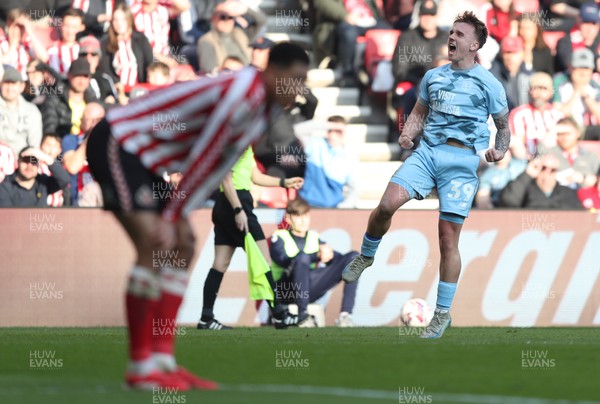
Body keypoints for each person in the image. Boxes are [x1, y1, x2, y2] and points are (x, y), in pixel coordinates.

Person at [85, 42, 309, 389]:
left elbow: (219, 163)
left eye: (302, 81)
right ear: (272, 72)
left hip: (146, 157)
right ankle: (141, 367)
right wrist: (173, 213)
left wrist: (176, 215)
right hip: (119, 139)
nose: (297, 89)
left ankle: (164, 361)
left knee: (184, 244)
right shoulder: (242, 94)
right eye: (293, 79)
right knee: (154, 244)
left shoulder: (263, 108)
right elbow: (208, 153)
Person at [341, 11, 510, 339]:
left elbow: (503, 128)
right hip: (427, 154)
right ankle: (366, 254)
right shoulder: (433, 77)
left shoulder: (490, 84)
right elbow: (418, 113)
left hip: (461, 163)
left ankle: (441, 314)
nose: (452, 37)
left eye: (460, 34)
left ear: (475, 44)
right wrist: (407, 134)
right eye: (451, 32)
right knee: (387, 204)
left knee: (448, 241)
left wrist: (500, 150)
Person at [197, 146, 304, 330]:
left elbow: (255, 176)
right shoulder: (237, 142)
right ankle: (280, 314)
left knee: (220, 263)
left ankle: (206, 317)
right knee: (264, 259)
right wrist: (239, 210)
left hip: (225, 205)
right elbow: (226, 177)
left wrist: (283, 182)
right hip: (236, 203)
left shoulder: (244, 145)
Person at [270, 197, 359, 327]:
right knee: (302, 259)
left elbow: (335, 259)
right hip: (286, 290)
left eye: (306, 215)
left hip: (309, 289)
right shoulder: (279, 237)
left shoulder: (315, 237)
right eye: (298, 216)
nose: (303, 220)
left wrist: (328, 255)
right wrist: (316, 255)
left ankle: (345, 316)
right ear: (288, 218)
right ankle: (303, 316)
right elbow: (284, 260)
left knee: (353, 259)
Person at [299, 115, 358, 208]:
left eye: (338, 131)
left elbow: (354, 189)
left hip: (334, 207)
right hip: (308, 203)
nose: (333, 135)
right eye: (331, 130)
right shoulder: (316, 144)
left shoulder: (349, 156)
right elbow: (298, 130)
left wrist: (341, 208)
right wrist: (329, 125)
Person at [508, 72, 564, 159]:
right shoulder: (518, 114)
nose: (539, 93)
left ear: (551, 92)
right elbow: (516, 142)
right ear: (529, 91)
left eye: (544, 89)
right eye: (535, 88)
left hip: (554, 160)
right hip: (526, 160)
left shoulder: (558, 115)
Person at [99, 3, 154, 90]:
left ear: (129, 20)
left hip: (140, 88)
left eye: (123, 19)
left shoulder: (140, 39)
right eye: (115, 20)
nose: (119, 24)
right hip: (118, 89)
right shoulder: (106, 42)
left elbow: (149, 63)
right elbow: (106, 70)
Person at [498, 154, 584, 209]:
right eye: (543, 168)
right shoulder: (524, 189)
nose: (547, 172)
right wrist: (527, 174)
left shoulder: (567, 192)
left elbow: (579, 216)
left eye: (552, 170)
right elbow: (508, 201)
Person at [40, 58, 98, 136]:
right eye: (77, 75)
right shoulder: (54, 100)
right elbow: (50, 129)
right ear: (69, 75)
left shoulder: (94, 102)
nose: (81, 80)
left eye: (85, 76)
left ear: (89, 78)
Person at [62, 102, 106, 206]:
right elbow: (72, 167)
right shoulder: (71, 140)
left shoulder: (110, 141)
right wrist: (90, 139)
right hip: (79, 199)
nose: (95, 124)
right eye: (91, 121)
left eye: (99, 120)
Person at [553, 48, 600, 140]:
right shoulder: (559, 81)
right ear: (570, 67)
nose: (582, 72)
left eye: (586, 68)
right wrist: (577, 91)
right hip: (565, 127)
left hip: (587, 128)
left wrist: (586, 96)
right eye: (579, 67)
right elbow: (557, 112)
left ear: (591, 70)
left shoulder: (594, 85)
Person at [0, 146, 69, 207]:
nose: (29, 166)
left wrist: (47, 159)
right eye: (26, 160)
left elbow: (64, 180)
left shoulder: (43, 183)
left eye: (34, 162)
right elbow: (7, 216)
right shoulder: (5, 186)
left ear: (38, 165)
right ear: (18, 162)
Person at [544, 117, 600, 190]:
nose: (565, 137)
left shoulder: (590, 156)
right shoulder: (551, 153)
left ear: (577, 133)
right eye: (560, 134)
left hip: (584, 197)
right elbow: (540, 150)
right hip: (558, 197)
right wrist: (554, 129)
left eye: (568, 133)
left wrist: (583, 178)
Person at [196, 1, 251, 74]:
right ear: (213, 19)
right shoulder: (206, 40)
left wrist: (242, 9)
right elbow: (209, 71)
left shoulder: (240, 33)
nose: (227, 20)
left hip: (247, 75)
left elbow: (261, 22)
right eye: (223, 17)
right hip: (226, 78)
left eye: (231, 17)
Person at [0, 65, 43, 156]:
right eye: (7, 83)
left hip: (23, 162)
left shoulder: (32, 111)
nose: (10, 88)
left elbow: (34, 145)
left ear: (22, 86)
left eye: (14, 84)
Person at [554, 2, 600, 74]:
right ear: (578, 21)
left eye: (593, 23)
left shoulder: (598, 40)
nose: (589, 28)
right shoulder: (565, 41)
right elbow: (568, 63)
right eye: (586, 22)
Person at [489, 36, 532, 110]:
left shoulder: (530, 77)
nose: (510, 57)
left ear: (523, 54)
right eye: (506, 52)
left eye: (514, 52)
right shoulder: (491, 77)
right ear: (501, 55)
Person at [44, 8, 86, 76]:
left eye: (74, 27)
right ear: (61, 25)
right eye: (66, 26)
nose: (69, 31)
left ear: (82, 27)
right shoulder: (51, 50)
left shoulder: (85, 50)